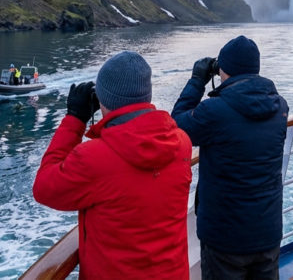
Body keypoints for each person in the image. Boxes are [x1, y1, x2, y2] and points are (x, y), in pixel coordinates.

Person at [32, 51, 192, 278]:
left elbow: (44, 188)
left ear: (102, 99)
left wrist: (74, 120)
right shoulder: (181, 143)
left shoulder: (93, 158)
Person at [171, 35, 288, 279]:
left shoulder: (214, 111)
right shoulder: (280, 106)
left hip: (225, 237)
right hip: (267, 231)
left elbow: (175, 127)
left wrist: (196, 81)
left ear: (224, 69)